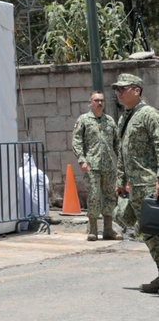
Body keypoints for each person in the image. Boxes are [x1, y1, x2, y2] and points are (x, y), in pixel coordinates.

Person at [112, 73, 159, 293]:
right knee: (148, 233)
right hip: (135, 187)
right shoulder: (125, 117)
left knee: (154, 232)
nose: (119, 93)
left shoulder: (149, 115)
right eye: (118, 90)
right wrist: (120, 180)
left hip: (150, 186)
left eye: (124, 89)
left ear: (137, 91)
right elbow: (122, 152)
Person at [72, 91, 119, 241]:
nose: (99, 103)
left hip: (109, 166)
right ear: (91, 102)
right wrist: (82, 160)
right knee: (94, 196)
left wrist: (119, 163)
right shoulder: (84, 120)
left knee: (110, 196)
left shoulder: (110, 121)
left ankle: (108, 229)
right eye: (96, 100)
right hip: (92, 165)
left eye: (102, 101)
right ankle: (92, 229)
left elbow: (116, 143)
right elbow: (77, 141)